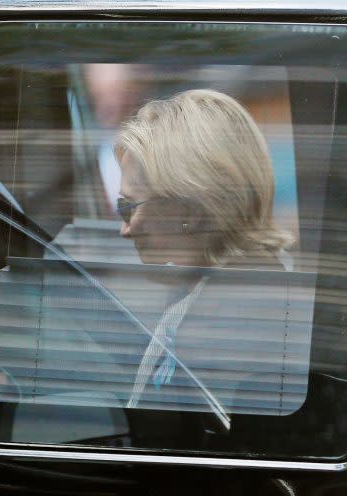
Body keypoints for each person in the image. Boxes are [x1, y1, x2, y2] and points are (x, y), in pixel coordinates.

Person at [113, 89, 295, 404]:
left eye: (128, 206)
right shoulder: (250, 289)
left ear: (190, 214)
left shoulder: (221, 330)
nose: (124, 229)